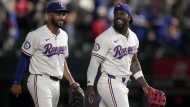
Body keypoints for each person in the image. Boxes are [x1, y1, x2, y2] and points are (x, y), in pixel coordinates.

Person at [10, 2, 80, 107]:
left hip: (56, 82)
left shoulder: (64, 35)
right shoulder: (36, 35)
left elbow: (62, 61)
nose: (61, 17)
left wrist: (71, 81)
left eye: (63, 14)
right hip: (40, 79)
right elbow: (24, 58)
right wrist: (17, 82)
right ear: (49, 15)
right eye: (58, 14)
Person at [85, 3, 150, 107]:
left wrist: (145, 85)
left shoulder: (133, 37)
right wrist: (89, 86)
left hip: (123, 84)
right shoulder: (105, 37)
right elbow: (94, 63)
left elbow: (133, 62)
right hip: (110, 82)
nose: (118, 16)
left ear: (129, 17)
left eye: (122, 13)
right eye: (116, 14)